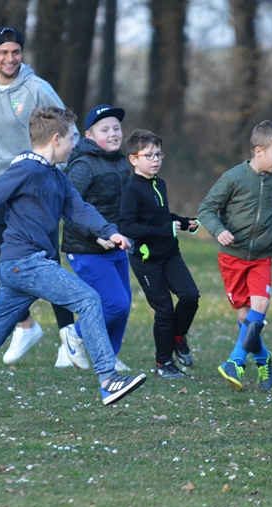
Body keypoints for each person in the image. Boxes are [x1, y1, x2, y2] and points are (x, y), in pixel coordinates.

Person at [0, 107, 147, 430]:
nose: (75, 145)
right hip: (25, 263)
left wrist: (108, 231)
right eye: (72, 138)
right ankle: (108, 379)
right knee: (88, 300)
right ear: (56, 139)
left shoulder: (56, 176)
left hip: (23, 269)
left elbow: (78, 208)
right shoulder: (26, 169)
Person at [0, 27, 76, 368]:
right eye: (4, 52)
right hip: (0, 183)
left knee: (48, 261)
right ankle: (25, 325)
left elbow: (69, 129)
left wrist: (57, 173)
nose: (10, 59)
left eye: (16, 52)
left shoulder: (37, 88)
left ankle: (69, 339)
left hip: (38, 188)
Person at [198, 120, 272, 392]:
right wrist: (218, 231)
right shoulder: (233, 178)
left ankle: (235, 360)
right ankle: (263, 358)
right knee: (245, 319)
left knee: (260, 306)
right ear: (258, 150)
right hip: (232, 258)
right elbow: (206, 209)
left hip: (262, 256)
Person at [119, 130, 200, 379]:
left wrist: (184, 223)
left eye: (159, 154)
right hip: (146, 261)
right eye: (149, 155)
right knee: (164, 311)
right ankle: (163, 364)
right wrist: (166, 229)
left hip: (170, 254)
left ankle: (177, 338)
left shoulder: (159, 184)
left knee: (190, 296)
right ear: (134, 159)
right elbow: (127, 227)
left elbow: (163, 218)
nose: (156, 160)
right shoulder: (132, 190)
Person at [58, 105, 134, 372]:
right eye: (105, 130)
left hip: (114, 243)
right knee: (115, 303)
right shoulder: (83, 166)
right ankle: (75, 334)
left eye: (116, 128)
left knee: (124, 303)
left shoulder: (121, 160)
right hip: (87, 247)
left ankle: (109, 356)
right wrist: (95, 236)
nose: (113, 134)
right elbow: (68, 208)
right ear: (88, 135)